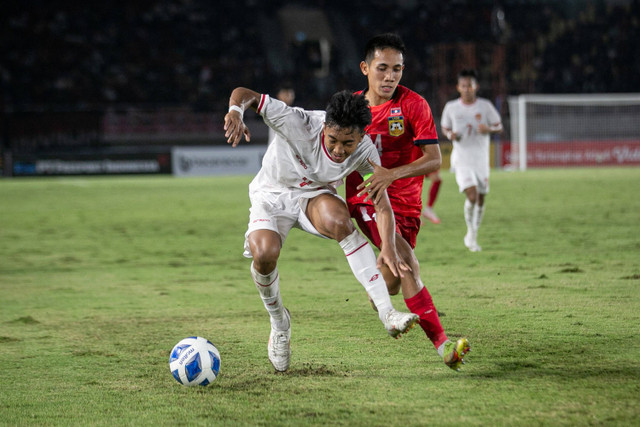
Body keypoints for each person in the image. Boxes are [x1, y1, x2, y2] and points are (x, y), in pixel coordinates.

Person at [224, 87, 420, 372]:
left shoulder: (365, 152)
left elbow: (382, 206)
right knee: (265, 254)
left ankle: (387, 313)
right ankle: (279, 322)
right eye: (333, 140)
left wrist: (388, 247)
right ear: (324, 127)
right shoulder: (295, 121)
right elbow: (244, 93)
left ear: (362, 136)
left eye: (348, 143)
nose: (339, 150)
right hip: (271, 194)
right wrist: (235, 111)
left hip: (313, 197)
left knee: (341, 222)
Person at [345, 33, 469, 370]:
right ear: (365, 68)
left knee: (392, 281)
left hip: (407, 202)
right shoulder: (351, 107)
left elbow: (433, 160)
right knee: (407, 261)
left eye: (397, 69)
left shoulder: (414, 105)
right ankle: (444, 346)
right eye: (382, 68)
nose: (390, 76)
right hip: (366, 197)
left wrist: (392, 175)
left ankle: (378, 295)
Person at [441, 69, 503, 252]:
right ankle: (471, 232)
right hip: (462, 159)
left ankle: (473, 234)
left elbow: (499, 126)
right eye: (464, 85)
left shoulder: (485, 106)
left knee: (481, 198)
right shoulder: (451, 107)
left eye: (470, 85)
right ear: (458, 87)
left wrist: (488, 130)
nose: (467, 89)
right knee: (473, 195)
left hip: (481, 159)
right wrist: (451, 134)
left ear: (476, 86)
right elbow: (445, 128)